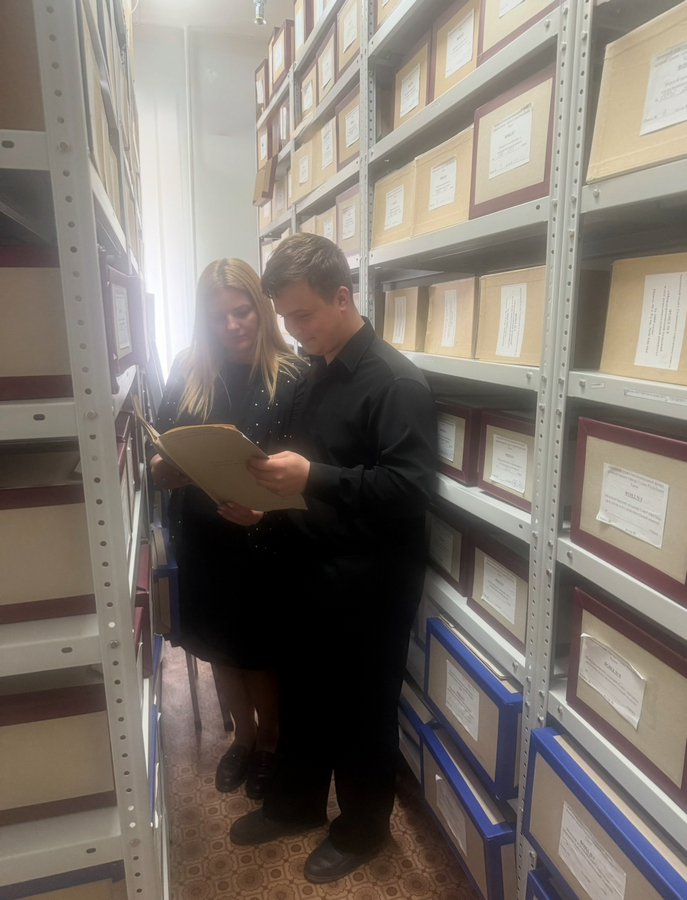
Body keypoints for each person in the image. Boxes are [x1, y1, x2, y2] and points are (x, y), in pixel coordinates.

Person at [227, 234, 437, 883]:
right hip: (311, 565)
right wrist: (264, 503)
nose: (293, 329)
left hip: (370, 579)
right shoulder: (314, 369)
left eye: (302, 315)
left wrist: (312, 478)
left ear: (342, 297)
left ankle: (363, 828)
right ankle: (295, 804)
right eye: (285, 317)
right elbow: (301, 468)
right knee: (305, 695)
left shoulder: (395, 382)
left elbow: (408, 489)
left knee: (360, 710)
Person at [150, 258, 306, 800]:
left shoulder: (291, 375)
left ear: (262, 309)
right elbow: (164, 440)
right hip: (203, 535)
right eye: (218, 317)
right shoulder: (188, 370)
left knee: (258, 649)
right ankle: (242, 737)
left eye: (242, 312)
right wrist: (160, 468)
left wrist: (265, 511)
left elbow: (308, 467)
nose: (232, 326)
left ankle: (270, 740)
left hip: (264, 539)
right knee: (218, 645)